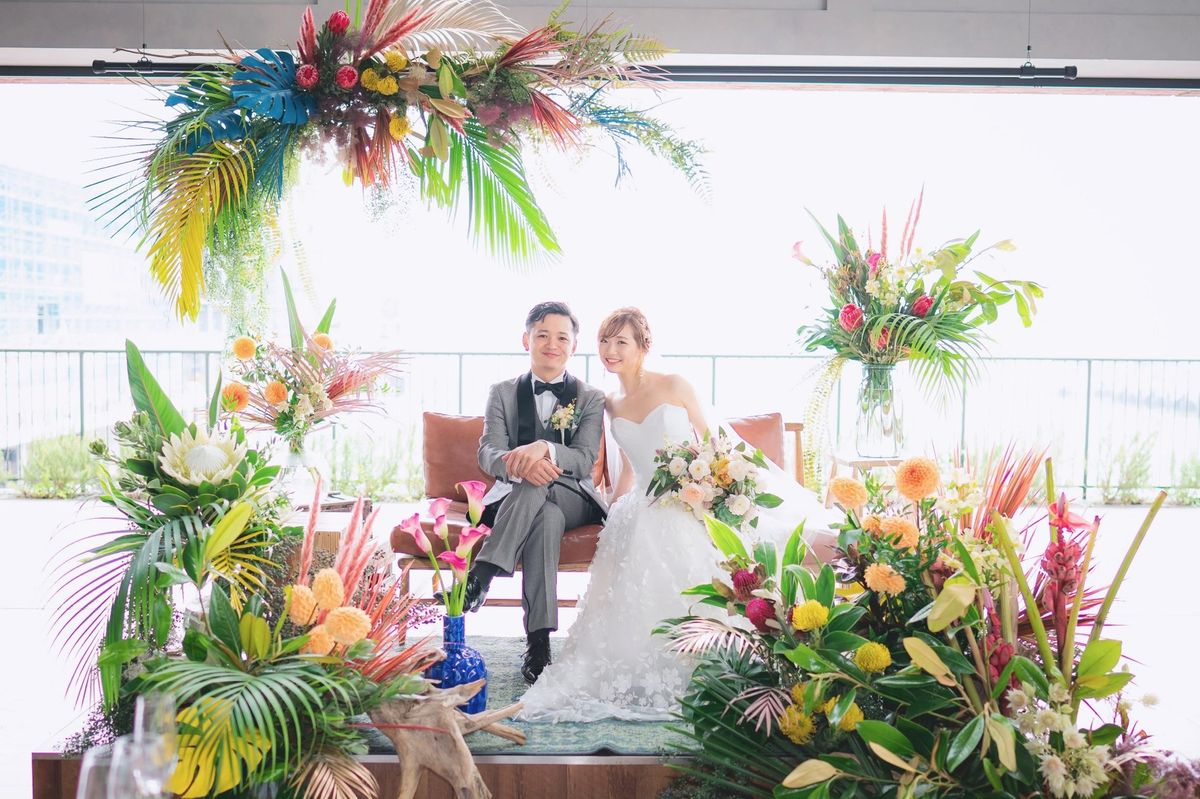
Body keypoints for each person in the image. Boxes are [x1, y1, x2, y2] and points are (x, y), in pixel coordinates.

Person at [517, 307, 840, 722]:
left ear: (642, 347)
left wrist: (712, 490)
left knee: (673, 531)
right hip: (641, 501)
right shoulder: (609, 403)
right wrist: (611, 510)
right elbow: (629, 468)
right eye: (605, 341)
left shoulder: (674, 385)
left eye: (621, 342)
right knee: (635, 530)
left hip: (689, 495)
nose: (611, 350)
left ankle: (709, 651)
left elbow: (714, 443)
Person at [464, 301, 607, 684]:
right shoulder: (502, 393)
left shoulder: (590, 397)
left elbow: (584, 459)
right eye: (542, 335)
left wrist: (544, 450)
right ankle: (539, 644)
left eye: (561, 337)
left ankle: (482, 574)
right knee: (545, 517)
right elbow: (488, 453)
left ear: (573, 346)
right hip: (520, 498)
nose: (551, 344)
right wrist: (519, 464)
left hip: (574, 496)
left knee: (539, 485)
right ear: (526, 340)